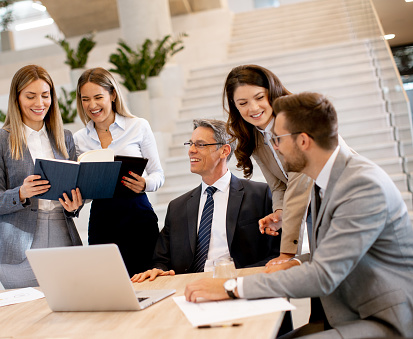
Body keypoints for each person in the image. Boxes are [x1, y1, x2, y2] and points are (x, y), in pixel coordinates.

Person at [185, 92, 413, 338]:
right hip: (349, 314)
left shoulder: (361, 185)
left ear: (303, 141)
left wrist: (230, 287)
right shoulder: (324, 181)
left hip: (383, 321)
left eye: (278, 139)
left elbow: (324, 276)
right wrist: (294, 262)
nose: (274, 147)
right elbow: (334, 253)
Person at [131, 119, 280, 283]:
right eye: (190, 144)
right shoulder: (177, 207)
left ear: (224, 151)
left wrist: (238, 281)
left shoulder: (260, 194)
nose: (191, 151)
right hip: (188, 289)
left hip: (239, 286)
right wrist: (158, 271)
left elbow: (277, 254)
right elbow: (161, 259)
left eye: (200, 145)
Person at [0, 65, 83, 289]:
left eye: (45, 95)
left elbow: (76, 188)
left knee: (71, 315)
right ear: (16, 98)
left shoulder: (64, 138)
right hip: (19, 246)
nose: (39, 103)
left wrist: (75, 205)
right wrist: (21, 193)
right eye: (30, 96)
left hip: (62, 237)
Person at [73, 67, 164, 276]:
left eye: (98, 97)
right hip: (102, 223)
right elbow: (82, 189)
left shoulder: (138, 126)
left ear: (112, 94)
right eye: (85, 99)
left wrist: (145, 184)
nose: (92, 105)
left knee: (146, 281)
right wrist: (78, 197)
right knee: (109, 286)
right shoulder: (79, 139)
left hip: (138, 218)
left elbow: (158, 174)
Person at [224, 64, 312, 266]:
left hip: (339, 203)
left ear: (272, 93)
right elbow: (278, 185)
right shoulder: (254, 136)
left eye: (259, 97)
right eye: (243, 102)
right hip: (314, 212)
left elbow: (300, 186)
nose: (253, 108)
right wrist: (280, 213)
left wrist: (287, 253)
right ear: (235, 106)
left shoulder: (296, 121)